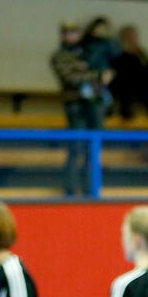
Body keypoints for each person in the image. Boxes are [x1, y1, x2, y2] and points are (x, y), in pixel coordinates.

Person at [52, 21, 107, 196]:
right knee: (76, 147)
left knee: (94, 147)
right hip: (75, 105)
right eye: (69, 33)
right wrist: (95, 75)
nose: (72, 36)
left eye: (75, 32)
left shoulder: (87, 53)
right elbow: (71, 78)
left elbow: (105, 69)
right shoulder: (60, 56)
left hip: (94, 104)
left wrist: (90, 72)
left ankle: (91, 188)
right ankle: (70, 189)